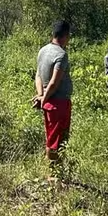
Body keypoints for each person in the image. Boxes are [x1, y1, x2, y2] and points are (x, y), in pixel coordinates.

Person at [34, 21, 73, 169]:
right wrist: (43, 99)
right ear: (65, 36)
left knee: (51, 137)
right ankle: (54, 175)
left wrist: (40, 96)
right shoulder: (61, 55)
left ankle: (54, 170)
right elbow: (53, 83)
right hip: (58, 104)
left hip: (48, 102)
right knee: (57, 140)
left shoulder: (43, 50)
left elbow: (38, 76)